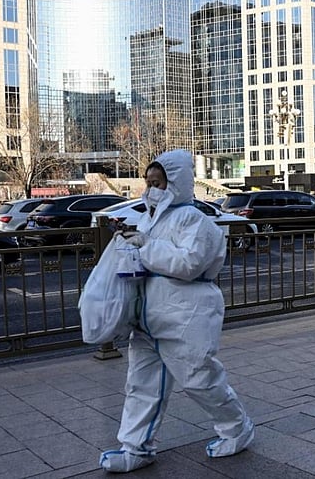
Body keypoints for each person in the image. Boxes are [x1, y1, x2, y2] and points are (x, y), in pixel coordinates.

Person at [100, 150, 253, 473]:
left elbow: (189, 264)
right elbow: (144, 255)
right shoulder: (148, 218)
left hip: (186, 317)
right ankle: (136, 447)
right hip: (148, 320)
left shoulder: (195, 221)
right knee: (141, 385)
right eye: (148, 183)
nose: (151, 189)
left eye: (158, 182)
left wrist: (144, 246)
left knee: (201, 380)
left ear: (177, 183)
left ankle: (236, 429)